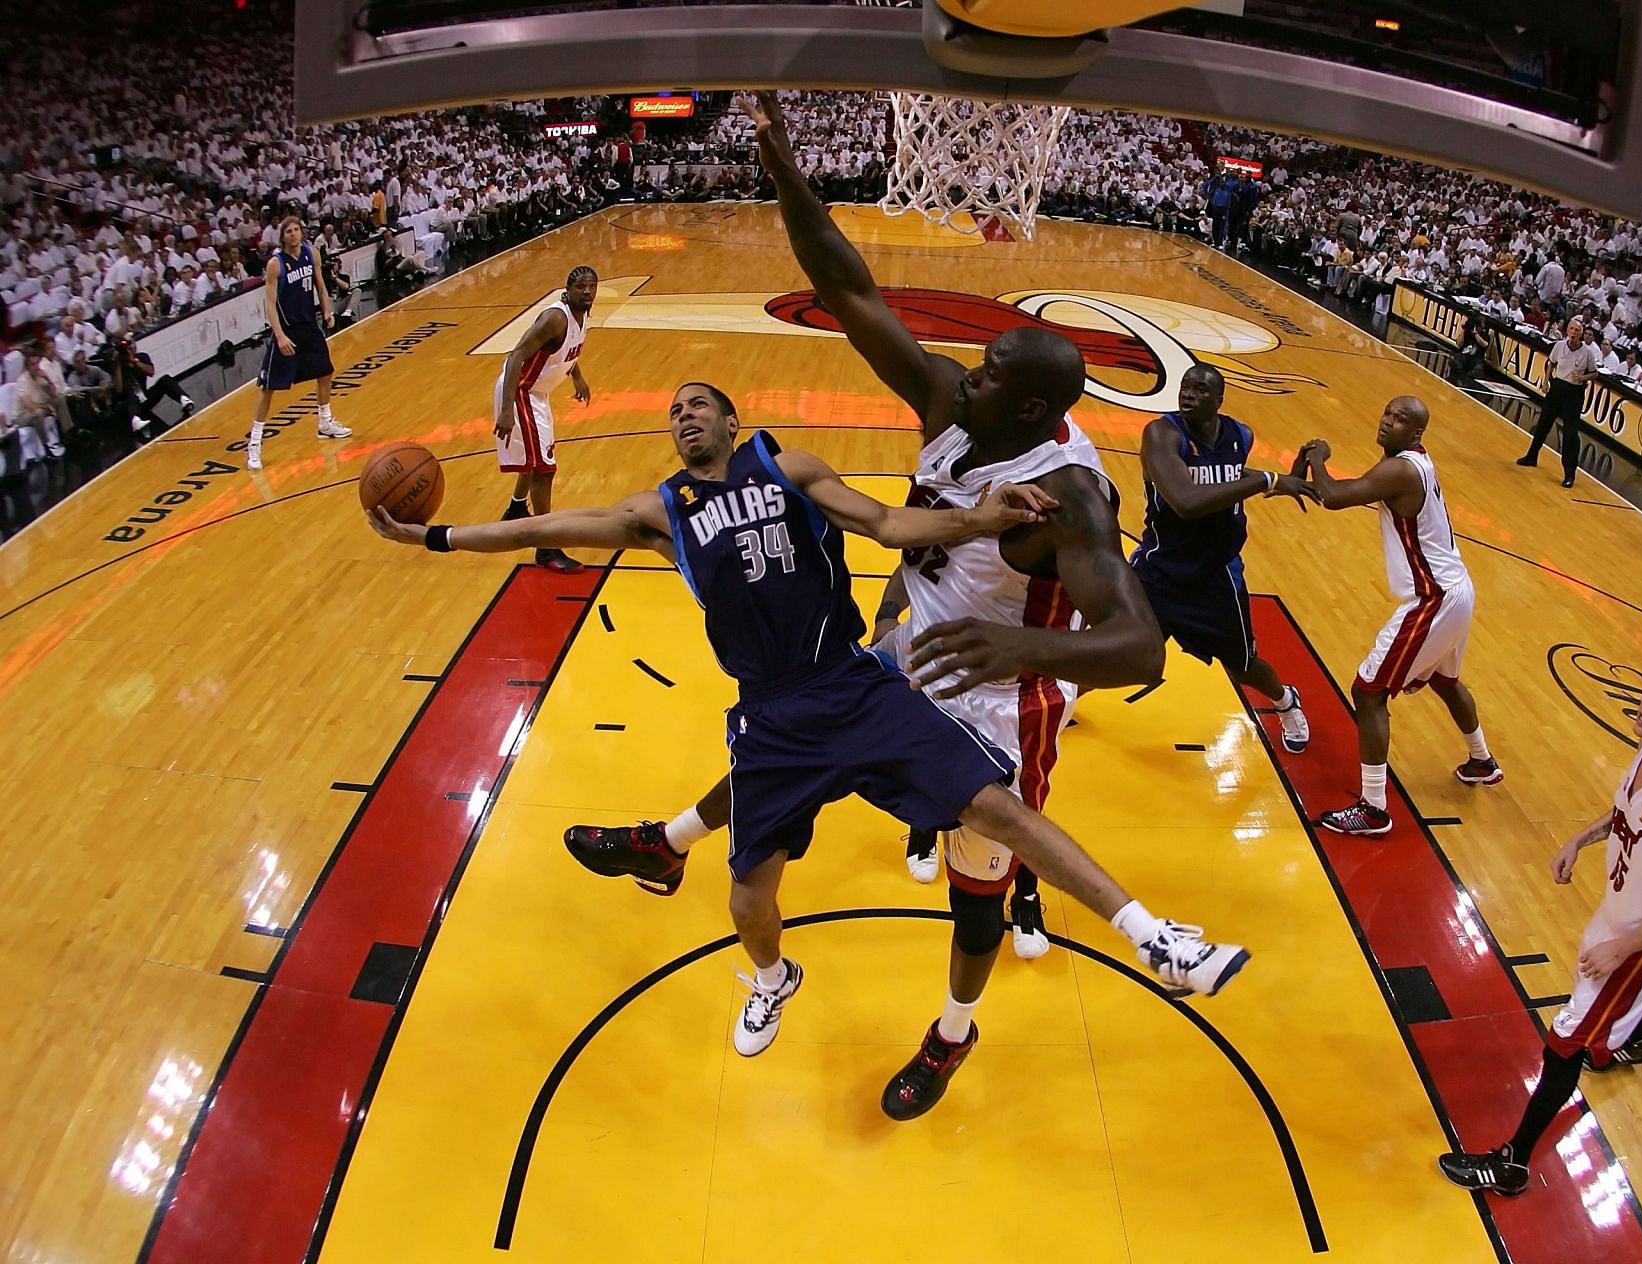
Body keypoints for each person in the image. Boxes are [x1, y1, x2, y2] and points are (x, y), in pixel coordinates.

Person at [367, 380, 1251, 1119]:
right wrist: (433, 538)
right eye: (676, 410)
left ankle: (1154, 934)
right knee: (748, 903)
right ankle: (771, 974)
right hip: (772, 719)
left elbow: (889, 526)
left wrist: (982, 517)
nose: (684, 417)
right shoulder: (658, 512)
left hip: (851, 683)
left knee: (996, 808)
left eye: (700, 406)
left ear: (732, 425)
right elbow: (535, 532)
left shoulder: (785, 468)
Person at [573, 90, 1207, 1075]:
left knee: (974, 896)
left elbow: (1139, 646)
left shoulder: (1071, 495)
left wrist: (1023, 648)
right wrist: (789, 181)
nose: (965, 372)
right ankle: (670, 839)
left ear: (1033, 407)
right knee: (787, 724)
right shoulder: (957, 403)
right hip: (917, 644)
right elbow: (853, 291)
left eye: (991, 371)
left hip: (1002, 693)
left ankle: (953, 1032)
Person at [1439, 658, 1642, 1197]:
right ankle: (1634, 1038)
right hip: (1624, 911)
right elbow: (1626, 815)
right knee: (1610, 1006)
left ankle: (1511, 1164)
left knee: (1567, 1042)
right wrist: (1580, 840)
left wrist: (1624, 948)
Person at [1297, 397, 1501, 836]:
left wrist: (1318, 458)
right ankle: (1481, 760)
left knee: (1368, 691)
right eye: (1386, 413)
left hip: (1433, 598)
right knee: (1445, 681)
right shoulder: (1411, 462)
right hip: (1457, 588)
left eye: (1399, 420)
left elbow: (1332, 497)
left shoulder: (1401, 470)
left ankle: (1373, 809)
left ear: (1417, 434)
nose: (1387, 421)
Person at [1132, 363, 1314, 756]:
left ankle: (1285, 701)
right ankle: (1057, 701)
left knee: (1244, 666)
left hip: (1216, 577)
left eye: (1200, 389)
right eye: (1185, 387)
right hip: (1159, 570)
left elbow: (1226, 472)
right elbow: (1185, 501)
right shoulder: (1162, 434)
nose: (1189, 394)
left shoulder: (1239, 435)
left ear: (1219, 400)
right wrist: (1267, 480)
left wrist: (1281, 480)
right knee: (1122, 650)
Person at [494, 265, 597, 573]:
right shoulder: (554, 318)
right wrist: (506, 409)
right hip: (521, 392)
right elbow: (516, 356)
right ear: (568, 289)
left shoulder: (582, 314)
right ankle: (546, 548)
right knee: (544, 470)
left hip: (537, 394)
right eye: (581, 286)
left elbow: (564, 353)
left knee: (534, 458)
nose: (587, 292)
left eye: (592, 286)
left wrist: (577, 376)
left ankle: (515, 509)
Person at [245, 217, 349, 470]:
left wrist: (327, 311)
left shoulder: (311, 253)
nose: (293, 234)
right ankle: (254, 444)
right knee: (268, 387)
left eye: (296, 230)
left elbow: (321, 286)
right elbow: (269, 304)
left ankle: (325, 422)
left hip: (308, 326)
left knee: (326, 371)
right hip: (287, 329)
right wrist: (279, 336)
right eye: (288, 231)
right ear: (282, 237)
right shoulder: (275, 264)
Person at [1516, 315, 1598, 489]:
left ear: (1581, 334)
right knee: (1543, 424)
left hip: (1574, 393)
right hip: (1557, 388)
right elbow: (1550, 363)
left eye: (1577, 330)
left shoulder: (1587, 353)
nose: (1573, 333)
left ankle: (1569, 473)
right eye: (1571, 329)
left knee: (1570, 434)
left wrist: (1583, 377)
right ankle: (1532, 456)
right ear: (1567, 330)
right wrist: (1546, 382)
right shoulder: (1559, 346)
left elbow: (1595, 373)